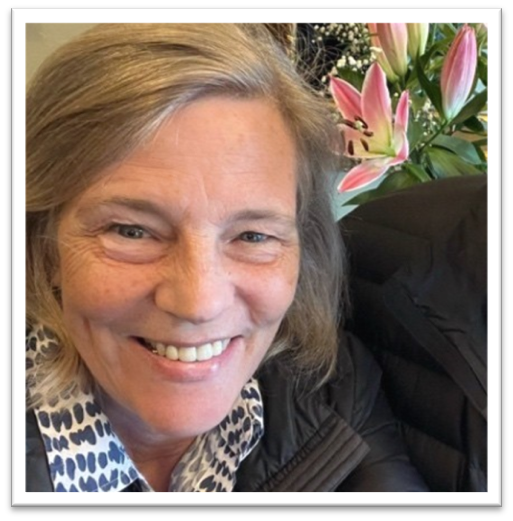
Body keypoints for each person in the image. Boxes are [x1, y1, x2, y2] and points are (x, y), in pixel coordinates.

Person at [26, 23, 428, 492]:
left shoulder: (333, 390)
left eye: (254, 236)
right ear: (44, 246)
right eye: (131, 231)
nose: (199, 302)